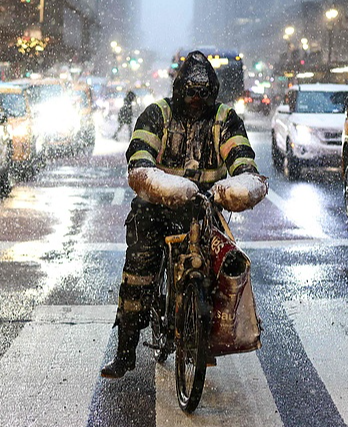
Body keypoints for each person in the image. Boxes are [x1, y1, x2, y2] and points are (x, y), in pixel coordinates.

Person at [101, 50, 268, 379]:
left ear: (212, 91)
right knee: (138, 273)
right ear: (179, 89)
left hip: (204, 207)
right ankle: (125, 352)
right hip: (156, 207)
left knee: (225, 268)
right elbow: (139, 158)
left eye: (203, 92)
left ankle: (209, 330)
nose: (196, 99)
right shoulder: (157, 114)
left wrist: (240, 185)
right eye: (190, 91)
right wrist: (166, 187)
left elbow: (242, 161)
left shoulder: (224, 119)